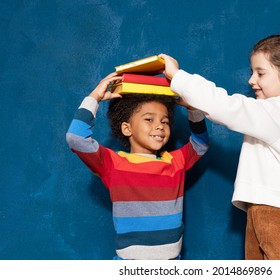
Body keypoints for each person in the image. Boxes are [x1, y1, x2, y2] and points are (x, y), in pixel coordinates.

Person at [159, 34, 280, 260]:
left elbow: (228, 107)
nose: (251, 80)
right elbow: (226, 108)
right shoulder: (270, 112)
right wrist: (194, 104)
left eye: (260, 73)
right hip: (262, 211)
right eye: (252, 72)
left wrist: (178, 77)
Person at [66, 72, 209, 260]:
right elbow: (76, 138)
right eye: (149, 119)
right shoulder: (114, 164)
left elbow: (200, 144)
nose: (159, 126)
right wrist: (95, 97)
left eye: (164, 121)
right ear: (127, 128)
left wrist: (193, 110)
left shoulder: (175, 162)